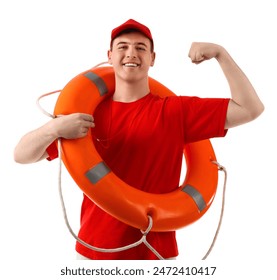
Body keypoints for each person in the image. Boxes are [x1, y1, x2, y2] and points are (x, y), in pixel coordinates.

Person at [14, 19, 264, 260]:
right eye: (122, 47)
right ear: (109, 56)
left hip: (155, 255)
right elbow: (21, 155)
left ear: (152, 59)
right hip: (93, 252)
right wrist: (54, 128)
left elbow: (250, 109)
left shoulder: (176, 111)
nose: (131, 53)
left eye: (140, 48)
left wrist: (221, 54)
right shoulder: (87, 115)